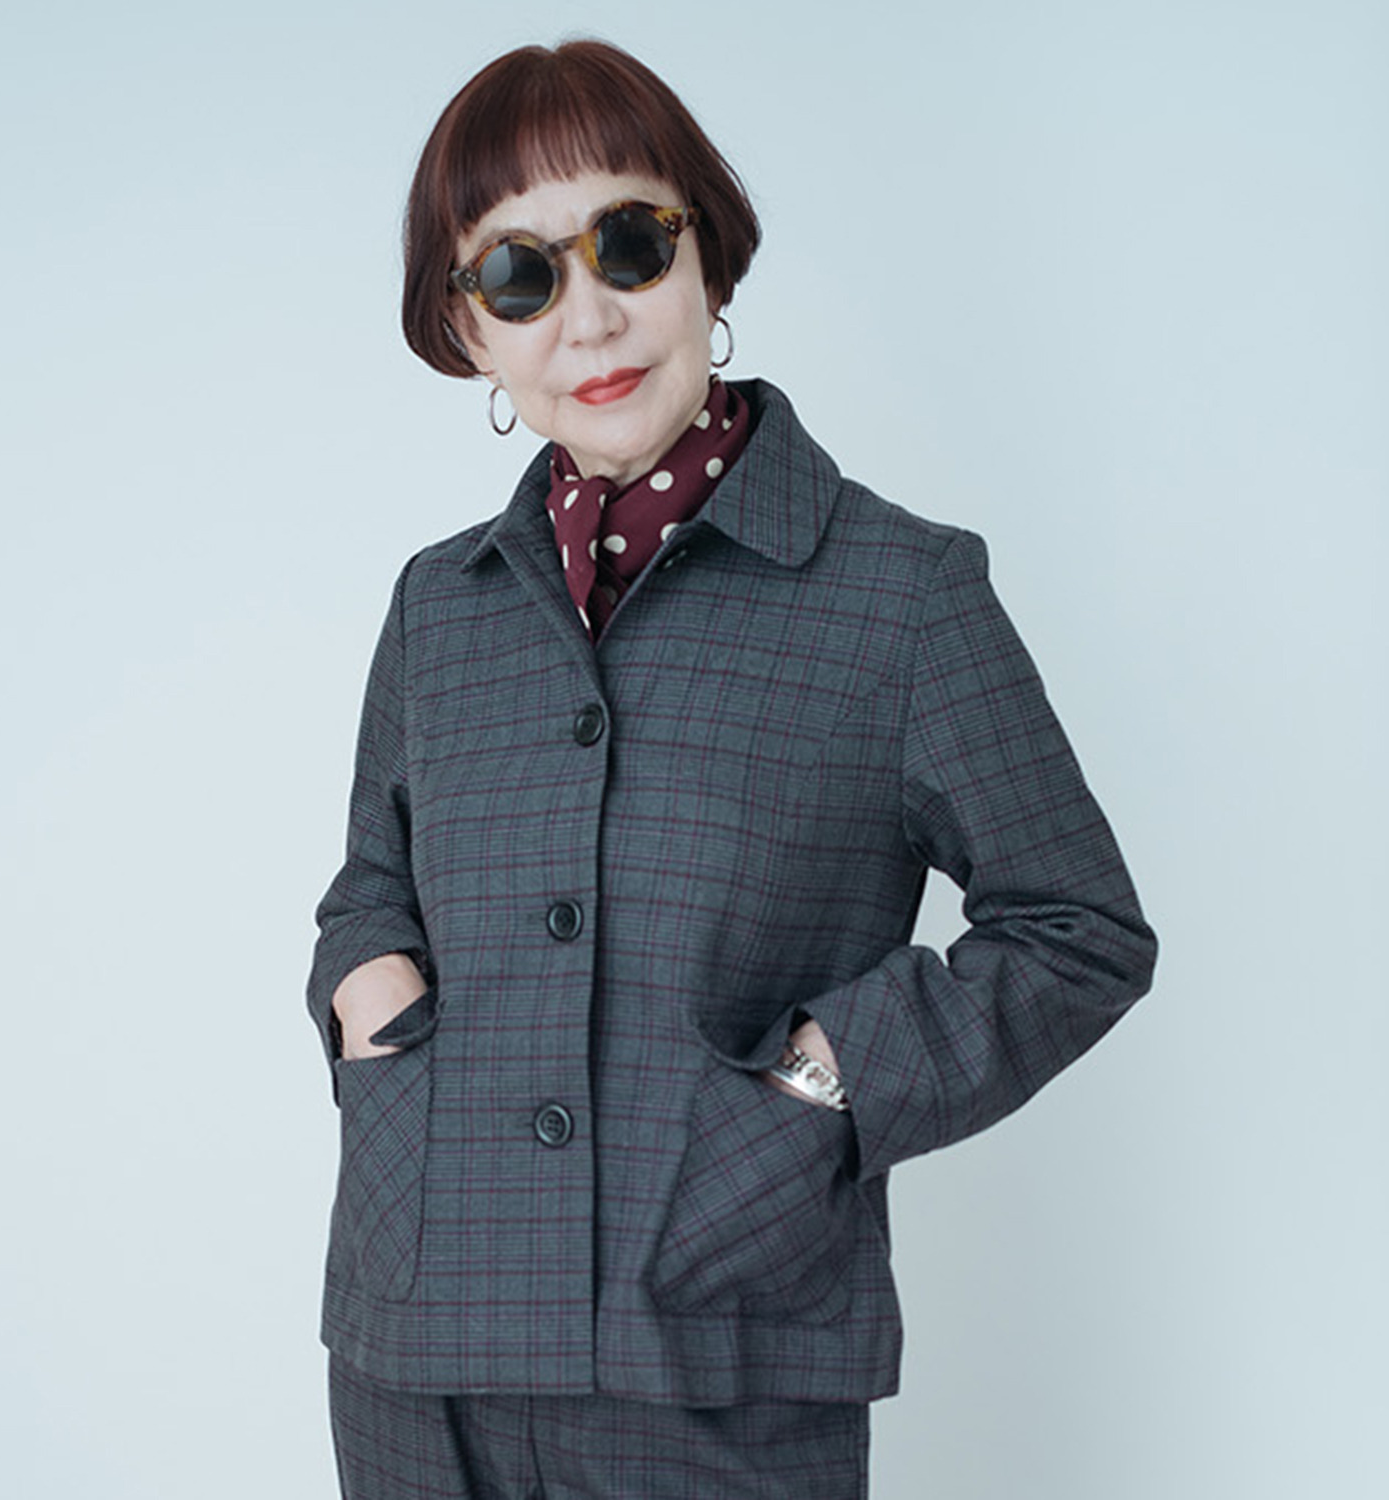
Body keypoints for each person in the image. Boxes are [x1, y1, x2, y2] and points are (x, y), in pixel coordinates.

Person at [307, 38, 1156, 1500]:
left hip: (719, 1355)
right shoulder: (440, 608)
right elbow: (372, 887)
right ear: (470, 335)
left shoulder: (900, 595)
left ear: (707, 255)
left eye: (629, 245)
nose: (588, 318)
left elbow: (1078, 930)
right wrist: (363, 992)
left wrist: (824, 1083)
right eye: (518, 276)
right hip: (417, 1344)